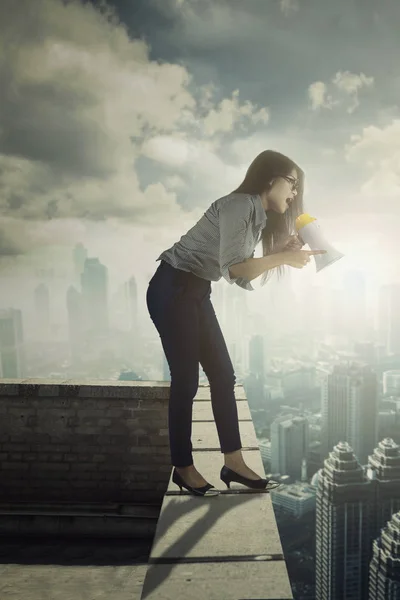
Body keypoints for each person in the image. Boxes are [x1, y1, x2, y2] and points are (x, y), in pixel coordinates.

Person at [146, 150, 326, 497]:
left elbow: (242, 269)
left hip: (196, 291)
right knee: (186, 380)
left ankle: (234, 462)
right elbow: (235, 268)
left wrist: (282, 253)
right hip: (172, 288)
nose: (293, 193)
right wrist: (282, 257)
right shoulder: (239, 205)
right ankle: (183, 467)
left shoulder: (256, 218)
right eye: (292, 183)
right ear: (269, 177)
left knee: (223, 376)